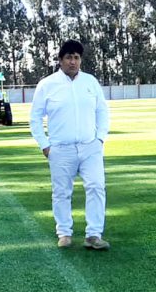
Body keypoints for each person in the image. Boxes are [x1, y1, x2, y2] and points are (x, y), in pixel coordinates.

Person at [30, 39, 110, 250]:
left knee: (96, 186)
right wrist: (44, 145)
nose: (73, 62)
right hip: (60, 149)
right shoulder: (47, 85)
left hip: (90, 147)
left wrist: (100, 138)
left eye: (76, 57)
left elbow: (102, 111)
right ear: (60, 60)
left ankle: (93, 234)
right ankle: (64, 233)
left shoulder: (90, 82)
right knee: (62, 192)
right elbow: (35, 118)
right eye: (68, 58)